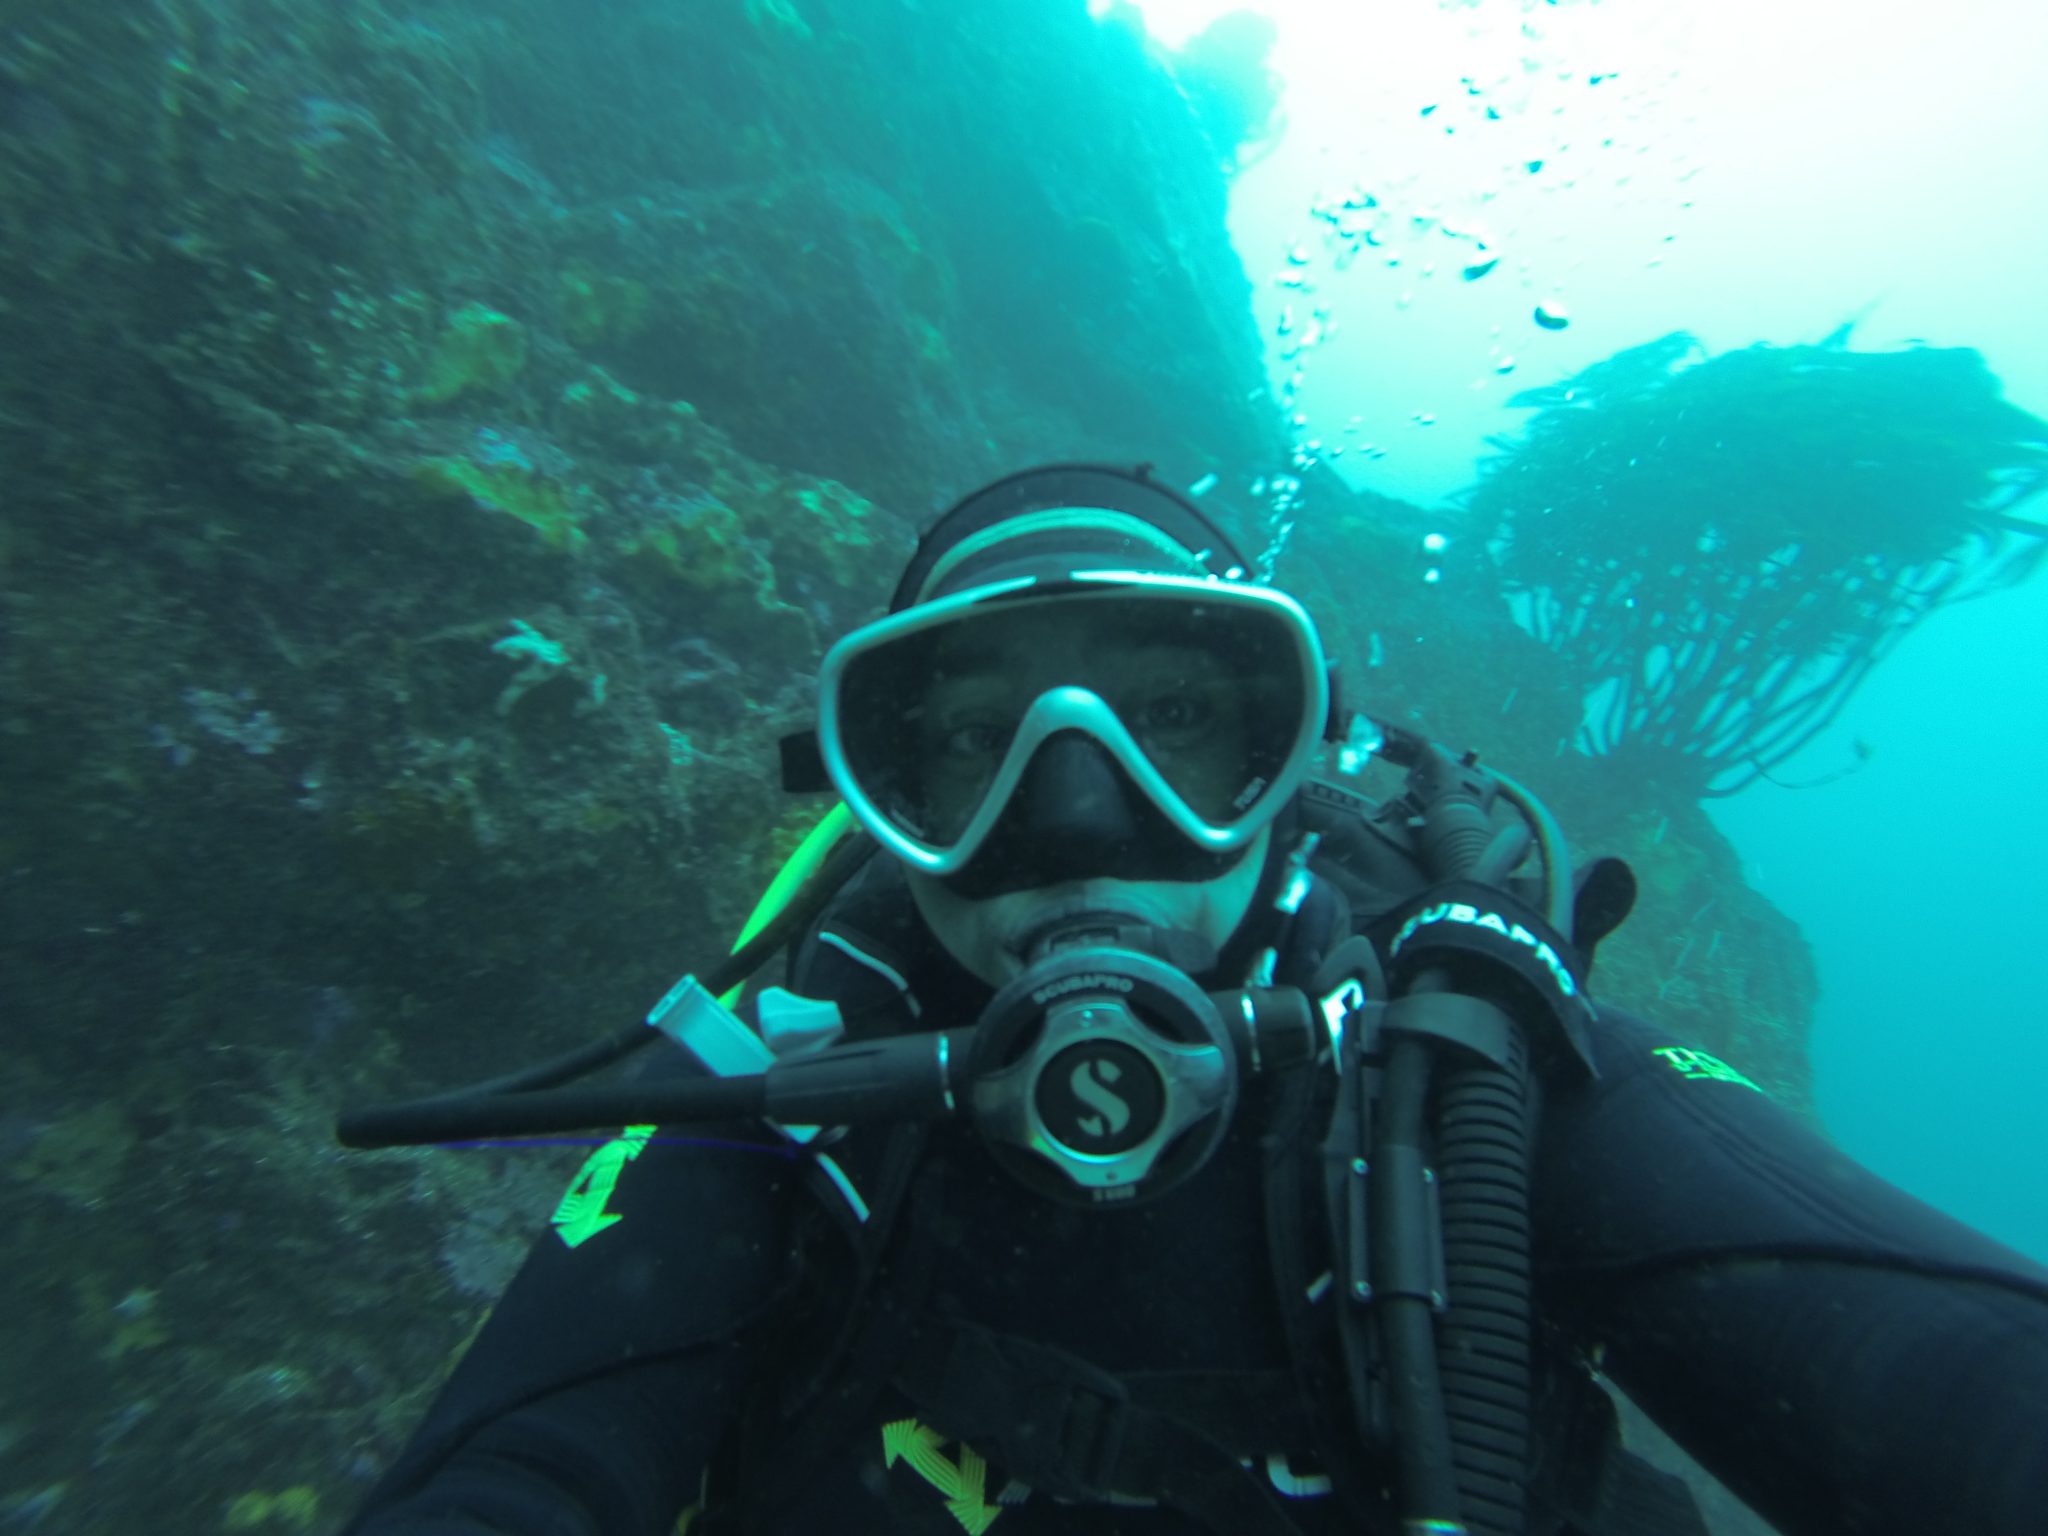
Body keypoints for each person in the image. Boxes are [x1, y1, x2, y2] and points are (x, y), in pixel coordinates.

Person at [342, 464, 2048, 1536]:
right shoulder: (781, 1088)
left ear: (1289, 755)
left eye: (1169, 723)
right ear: (878, 793)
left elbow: (1950, 1387)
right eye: (968, 744)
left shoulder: (1468, 1064)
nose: (1079, 824)